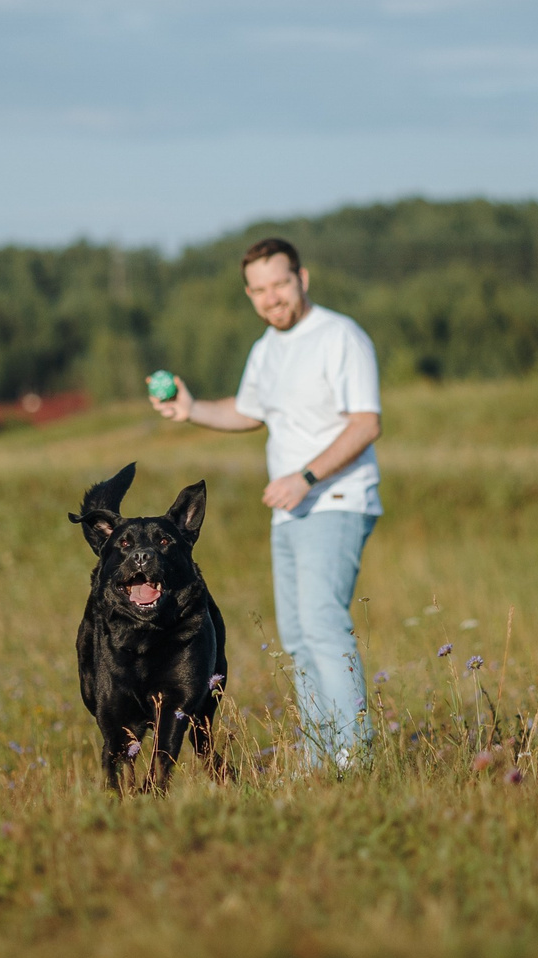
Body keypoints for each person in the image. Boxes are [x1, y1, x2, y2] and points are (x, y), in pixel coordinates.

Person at [150, 237, 382, 767]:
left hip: (337, 499)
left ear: (303, 278)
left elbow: (366, 423)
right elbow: (248, 410)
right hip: (290, 510)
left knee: (323, 623)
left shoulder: (339, 336)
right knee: (299, 636)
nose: (271, 298)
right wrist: (191, 410)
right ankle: (320, 755)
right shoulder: (267, 348)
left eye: (279, 284)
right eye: (258, 290)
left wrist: (305, 476)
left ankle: (354, 755)